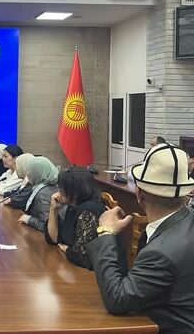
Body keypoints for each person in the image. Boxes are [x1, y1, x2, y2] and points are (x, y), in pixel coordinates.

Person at [87, 143, 194, 334]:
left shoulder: (160, 253)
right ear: (185, 194)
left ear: (139, 193)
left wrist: (105, 232)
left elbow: (117, 299)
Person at [45, 166, 105, 269]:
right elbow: (54, 239)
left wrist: (67, 250)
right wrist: (53, 209)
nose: (59, 191)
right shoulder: (73, 206)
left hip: (95, 272)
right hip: (75, 266)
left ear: (75, 191)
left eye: (62, 188)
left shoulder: (89, 211)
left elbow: (82, 256)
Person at [16, 156, 58, 232]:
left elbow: (47, 226)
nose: (27, 173)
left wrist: (29, 220)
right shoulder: (49, 185)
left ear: (38, 172)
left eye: (30, 170)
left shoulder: (43, 193)